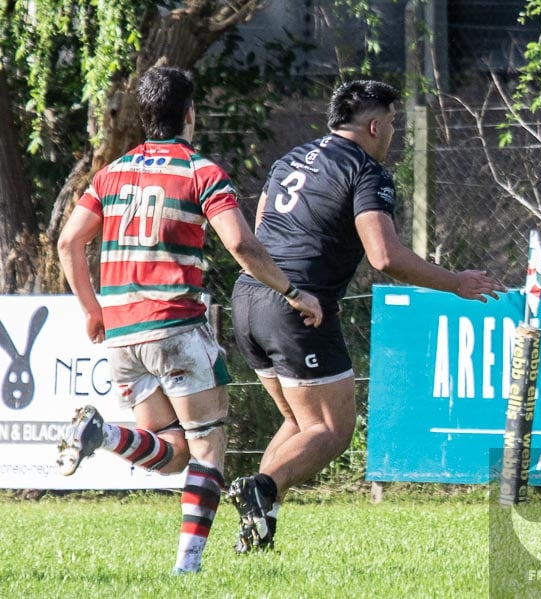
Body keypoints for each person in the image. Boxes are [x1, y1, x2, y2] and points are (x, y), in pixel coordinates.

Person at [55, 65, 323, 574]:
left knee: (174, 451)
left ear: (144, 116)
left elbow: (69, 241)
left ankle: (103, 435)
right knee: (207, 446)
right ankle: (188, 567)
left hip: (122, 336)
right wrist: (292, 292)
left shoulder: (111, 174)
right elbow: (241, 243)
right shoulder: (200, 172)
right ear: (190, 114)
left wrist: (92, 309)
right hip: (175, 327)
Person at [226, 79, 505, 552]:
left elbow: (262, 229)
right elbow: (384, 256)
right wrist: (455, 282)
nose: (393, 133)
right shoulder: (366, 171)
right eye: (393, 123)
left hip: (250, 298)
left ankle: (257, 528)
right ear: (375, 126)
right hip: (299, 307)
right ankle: (262, 487)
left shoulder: (290, 158)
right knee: (332, 431)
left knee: (299, 424)